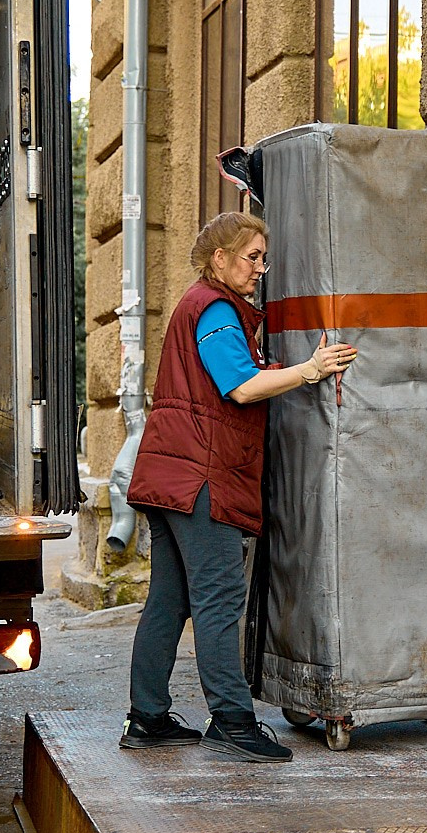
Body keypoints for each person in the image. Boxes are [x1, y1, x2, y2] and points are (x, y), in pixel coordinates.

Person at [121, 212, 357, 763]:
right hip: (201, 478)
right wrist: (311, 369)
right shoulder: (215, 310)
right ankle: (231, 719)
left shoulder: (199, 305)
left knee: (170, 600)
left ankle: (148, 717)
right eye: (251, 257)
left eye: (262, 258)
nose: (260, 269)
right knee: (219, 599)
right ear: (219, 259)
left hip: (172, 474)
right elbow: (242, 387)